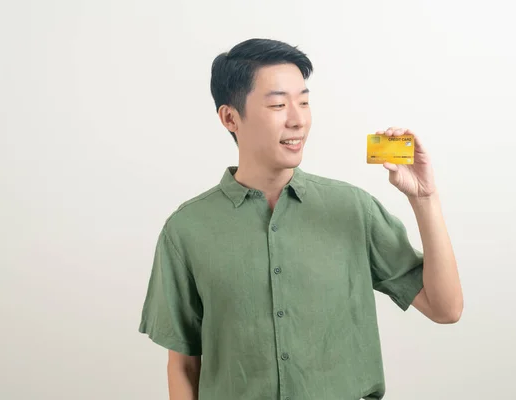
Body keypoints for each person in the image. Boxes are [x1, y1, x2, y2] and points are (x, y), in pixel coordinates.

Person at [138, 38, 463, 400]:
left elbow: (445, 308)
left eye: (304, 102)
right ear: (230, 117)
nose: (298, 120)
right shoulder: (187, 230)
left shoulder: (353, 208)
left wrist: (425, 199)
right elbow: (183, 365)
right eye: (278, 104)